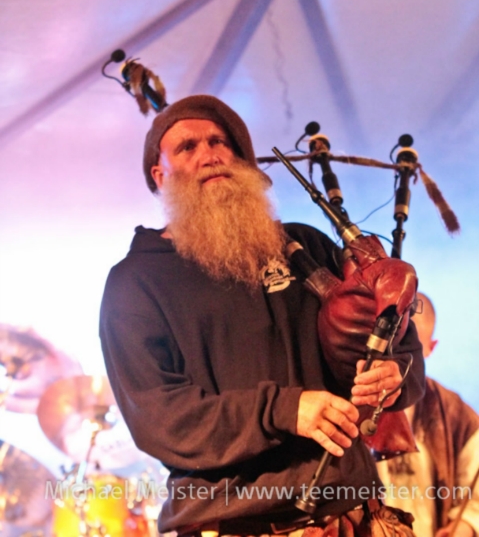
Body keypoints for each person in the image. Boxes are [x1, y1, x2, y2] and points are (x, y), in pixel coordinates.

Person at [100, 95, 425, 537]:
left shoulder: (304, 247)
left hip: (351, 515)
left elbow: (393, 342)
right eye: (186, 147)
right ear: (160, 175)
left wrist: (393, 372)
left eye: (221, 142)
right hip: (237, 523)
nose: (209, 154)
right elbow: (162, 420)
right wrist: (285, 410)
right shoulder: (134, 283)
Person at [376, 293, 479, 537]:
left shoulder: (454, 413)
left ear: (431, 348)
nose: (400, 359)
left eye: (412, 348)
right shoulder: (353, 400)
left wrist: (462, 527)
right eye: (396, 345)